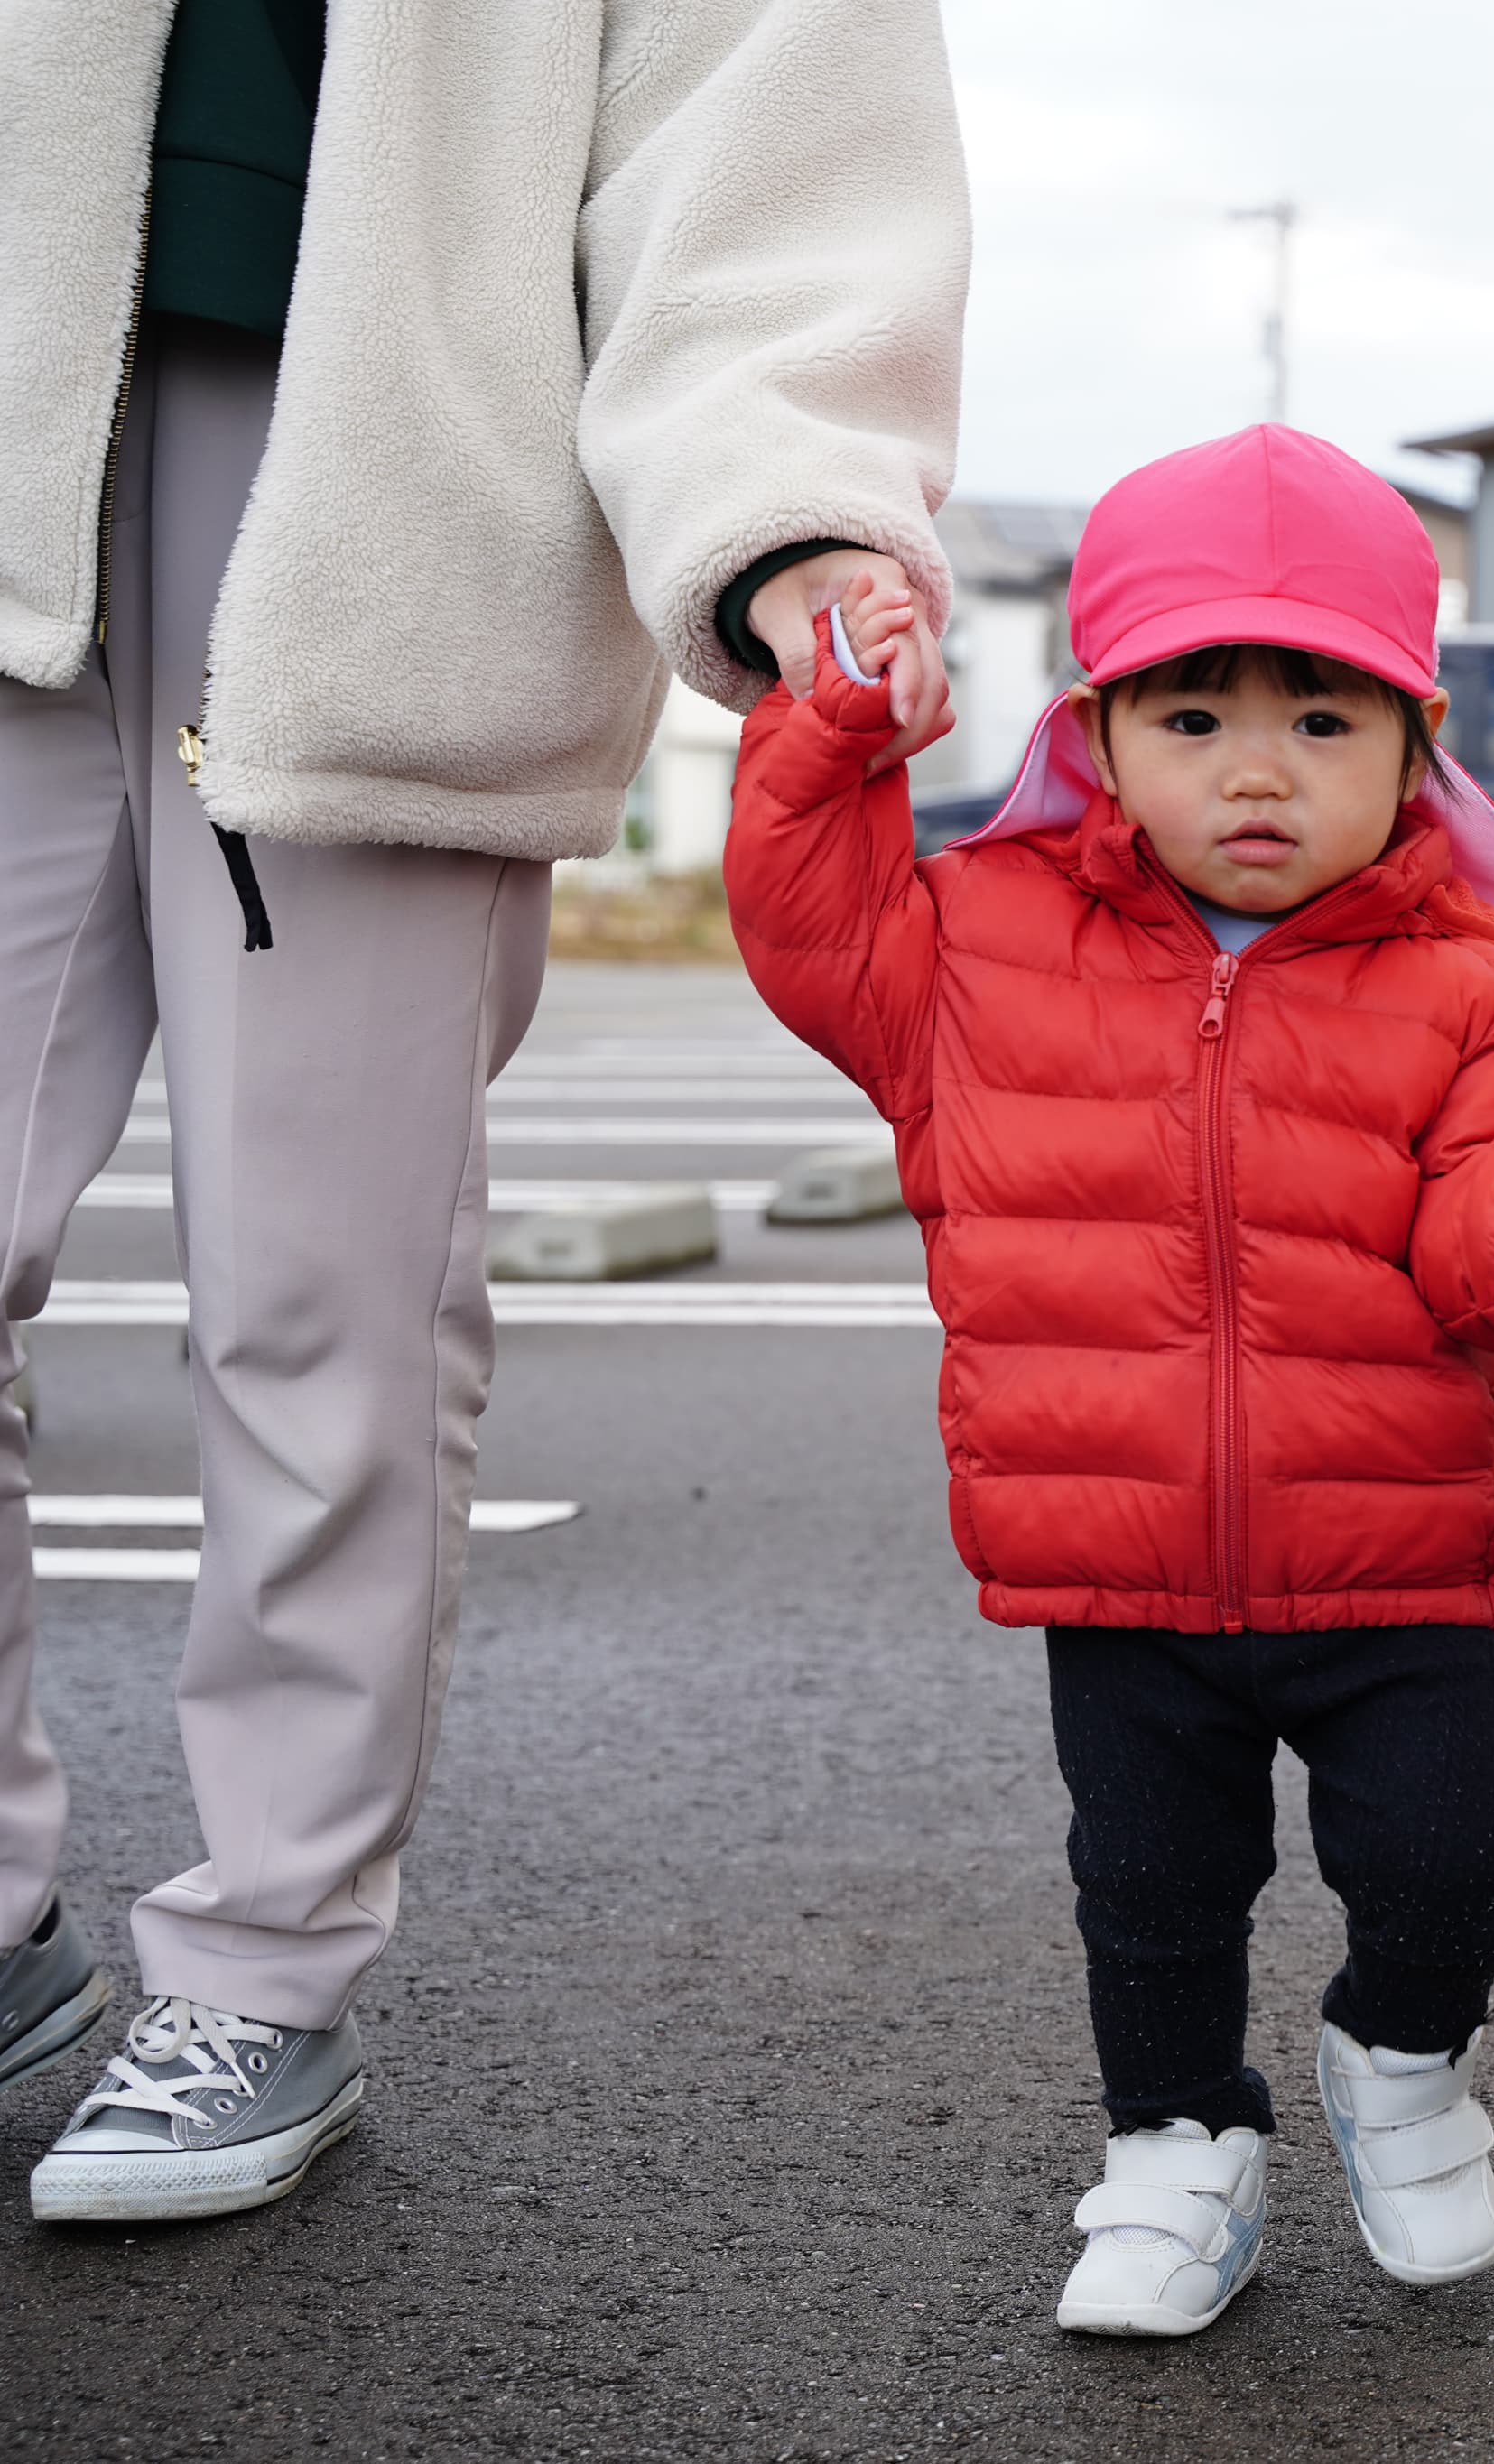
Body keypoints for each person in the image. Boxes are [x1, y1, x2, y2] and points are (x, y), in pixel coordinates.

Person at [0, 2, 967, 2222]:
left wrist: (797, 504)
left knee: (317, 1285)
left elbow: (759, 109)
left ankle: (265, 1961)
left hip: (377, 484)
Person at [728, 424, 1494, 2339]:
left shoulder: (1472, 985)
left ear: (1416, 746)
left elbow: (1488, 1240)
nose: (1257, 768)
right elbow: (808, 921)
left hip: (1399, 1556)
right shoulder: (979, 943)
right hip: (1117, 1556)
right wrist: (833, 732)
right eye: (1193, 716)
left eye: (1322, 720)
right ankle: (1176, 2152)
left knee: (1450, 1860)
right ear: (1094, 734)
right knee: (1150, 1894)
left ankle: (1402, 2059)